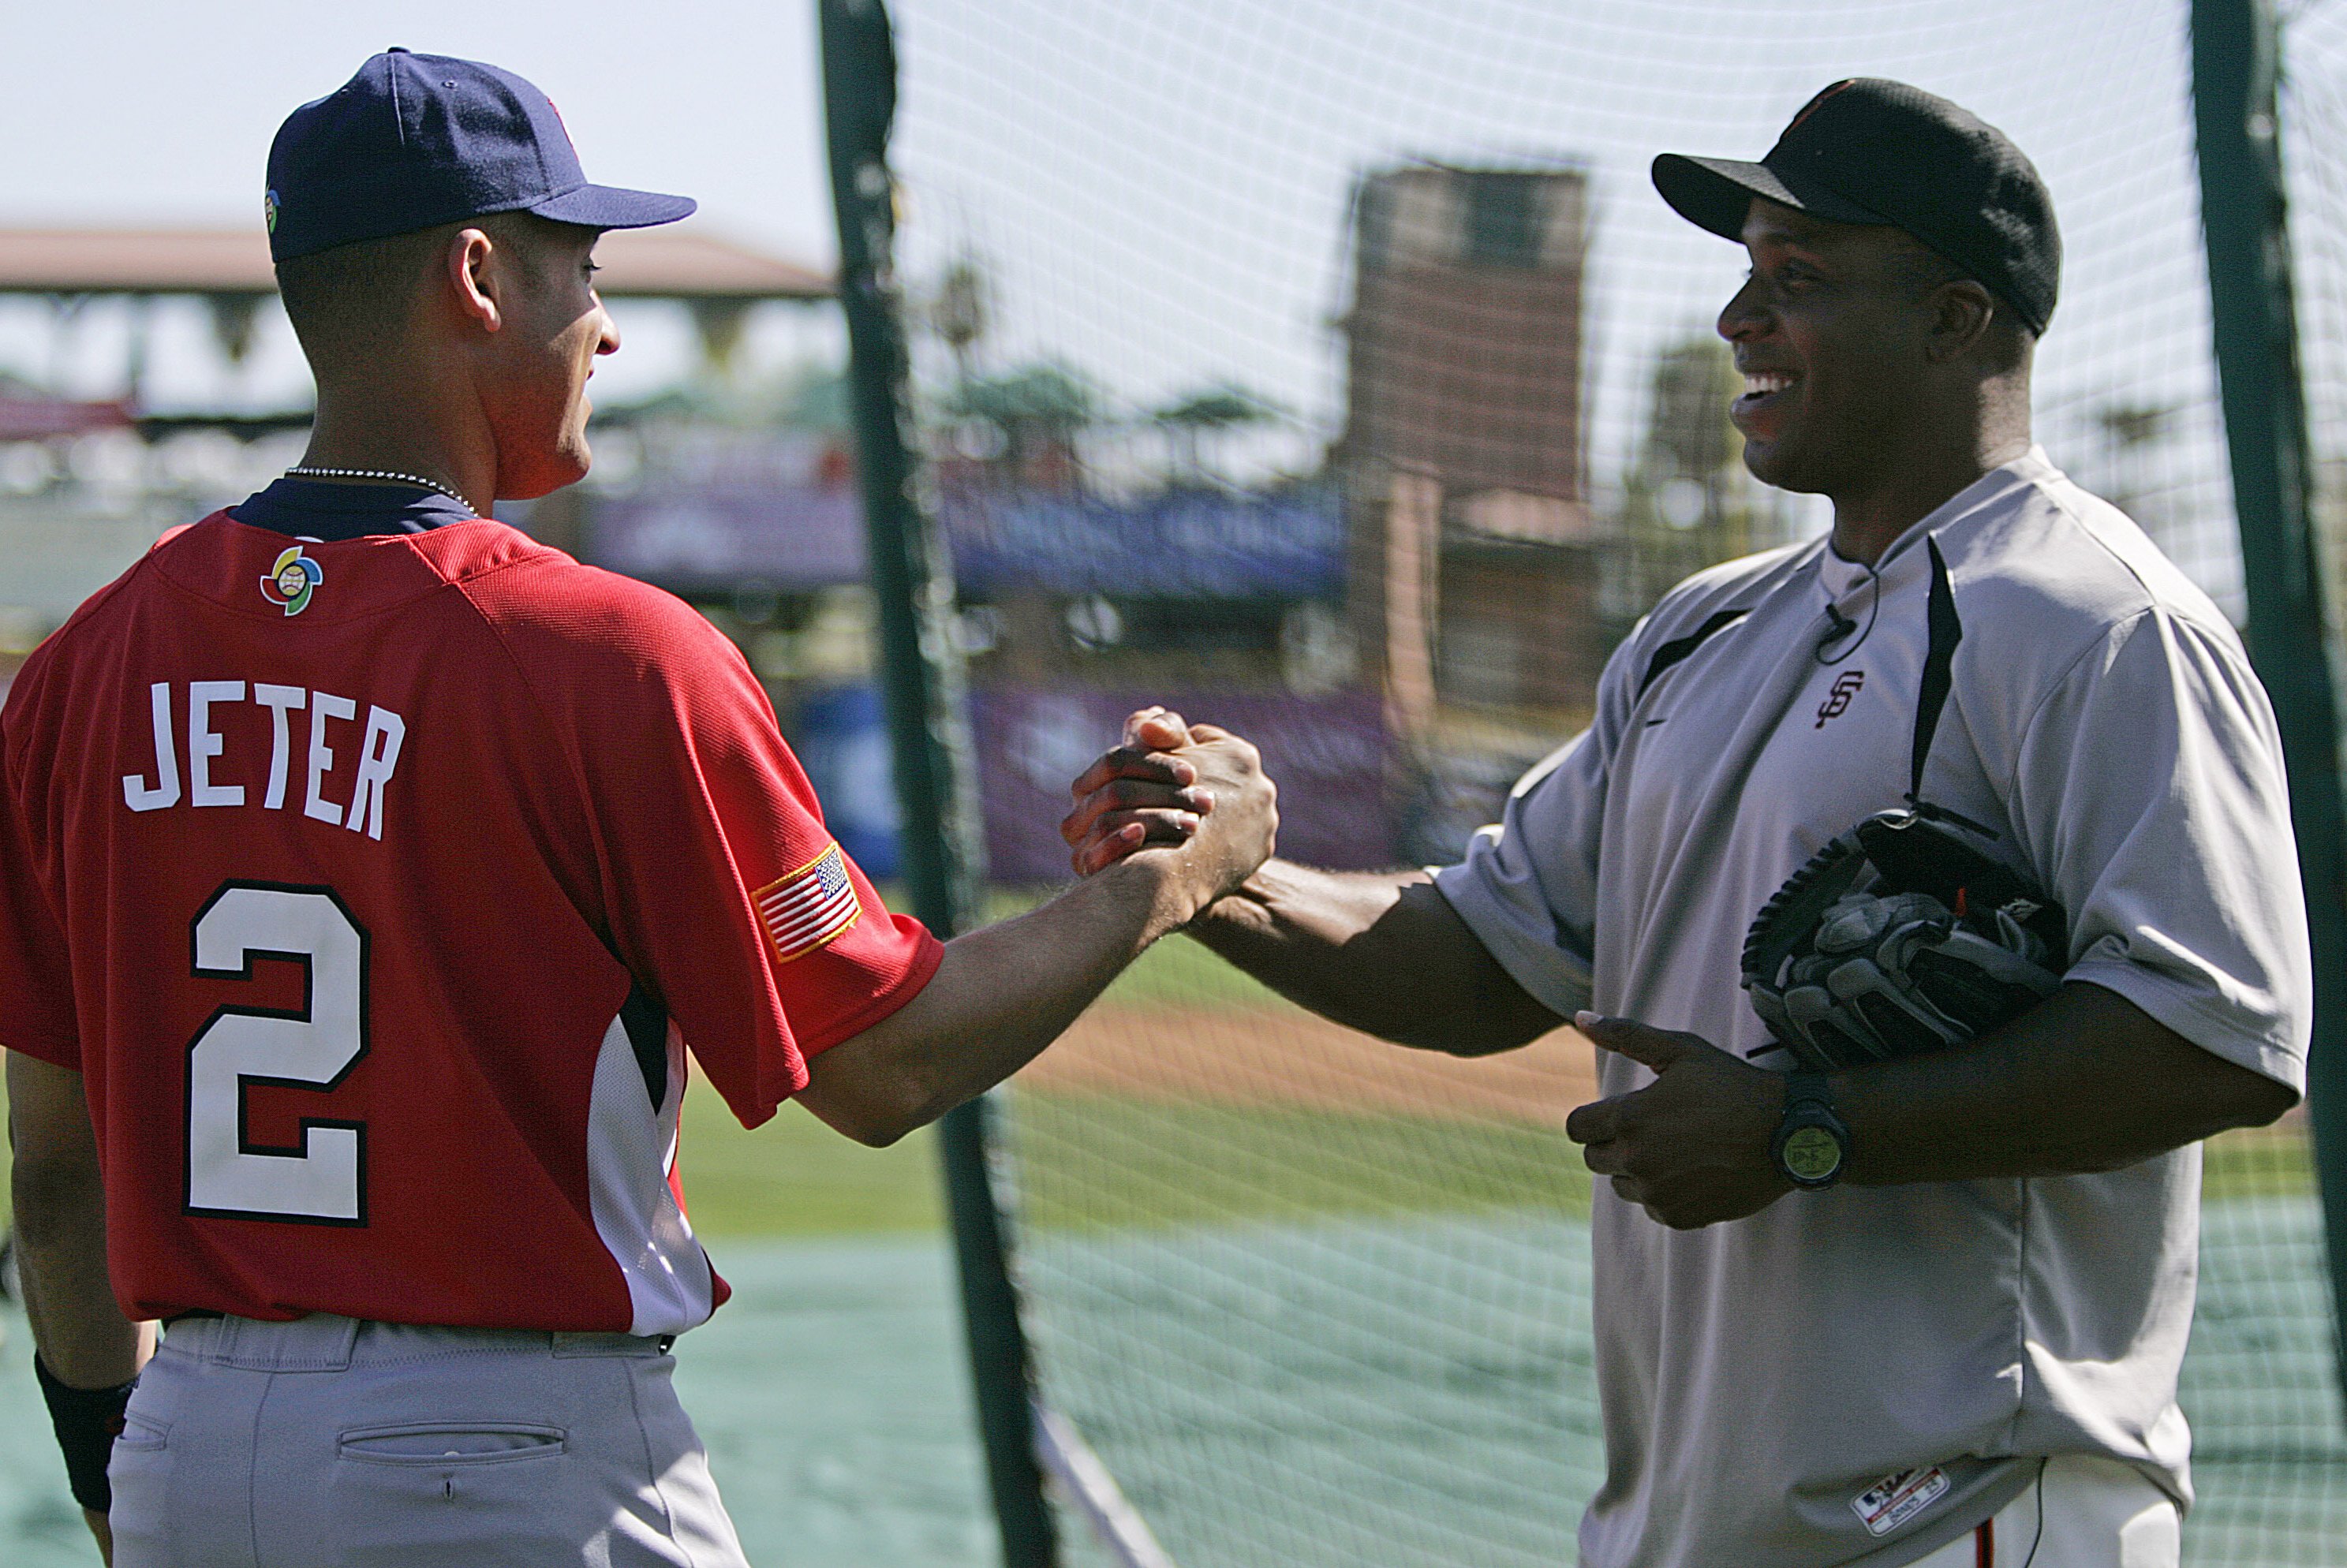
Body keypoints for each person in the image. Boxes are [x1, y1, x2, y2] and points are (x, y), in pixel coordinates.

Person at [0, 49, 1275, 1567]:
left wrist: (121, 1477)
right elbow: (878, 1065)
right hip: (509, 1462)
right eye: (580, 266)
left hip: (193, 1449)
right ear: (477, 273)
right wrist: (1168, 887)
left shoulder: (83, 667)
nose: (602, 323)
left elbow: (58, 1176)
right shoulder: (612, 656)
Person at [1064, 80, 2308, 1567]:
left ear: (1957, 320)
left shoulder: (2098, 623)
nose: (1740, 317)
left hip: (1966, 1510)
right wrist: (1227, 875)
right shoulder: (1702, 631)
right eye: (1744, 273)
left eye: (1801, 279)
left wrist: (1806, 1129)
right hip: (1693, 1518)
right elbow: (1479, 958)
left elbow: (2217, 1033)